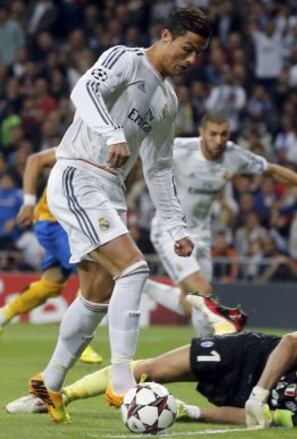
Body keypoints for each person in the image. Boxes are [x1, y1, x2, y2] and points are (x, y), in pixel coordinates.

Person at [28, 6, 210, 424]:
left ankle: (50, 381)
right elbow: (82, 92)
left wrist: (178, 225)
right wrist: (112, 133)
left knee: (96, 295)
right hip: (79, 173)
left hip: (110, 190)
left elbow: (160, 168)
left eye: (198, 53)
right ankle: (123, 379)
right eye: (187, 49)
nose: (191, 61)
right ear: (165, 36)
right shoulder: (124, 59)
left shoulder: (167, 99)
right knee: (134, 269)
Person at [7, 295, 297, 430]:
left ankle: (225, 323)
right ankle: (57, 395)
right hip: (247, 354)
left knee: (253, 410)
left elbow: (256, 417)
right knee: (150, 370)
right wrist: (262, 390)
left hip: (237, 392)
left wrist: (191, 412)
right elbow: (292, 341)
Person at [142, 112, 297, 336]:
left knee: (195, 306)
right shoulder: (179, 149)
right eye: (213, 134)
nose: (218, 140)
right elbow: (142, 149)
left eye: (224, 135)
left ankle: (143, 284)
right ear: (202, 133)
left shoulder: (233, 155)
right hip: (170, 232)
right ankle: (213, 350)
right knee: (204, 292)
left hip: (201, 235)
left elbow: (273, 171)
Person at [0, 148, 102, 364]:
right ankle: (78, 340)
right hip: (55, 223)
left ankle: (2, 316)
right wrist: (28, 203)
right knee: (91, 275)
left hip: (73, 224)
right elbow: (34, 159)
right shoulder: (82, 142)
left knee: (52, 284)